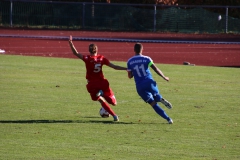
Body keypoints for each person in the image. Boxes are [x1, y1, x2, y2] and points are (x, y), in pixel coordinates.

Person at [68, 35, 127, 121]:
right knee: (114, 103)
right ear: (97, 50)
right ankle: (103, 94)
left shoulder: (87, 58)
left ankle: (115, 116)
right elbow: (114, 66)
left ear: (89, 50)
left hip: (92, 84)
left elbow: (76, 53)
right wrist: (125, 68)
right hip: (102, 82)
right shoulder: (101, 58)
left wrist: (71, 43)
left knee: (99, 99)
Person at [127, 43, 173, 124]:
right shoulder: (147, 59)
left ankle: (168, 119)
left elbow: (130, 76)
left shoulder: (130, 61)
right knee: (156, 95)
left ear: (134, 50)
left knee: (153, 104)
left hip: (140, 86)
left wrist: (132, 71)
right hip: (149, 82)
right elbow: (155, 68)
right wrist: (164, 77)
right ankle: (159, 98)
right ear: (142, 50)